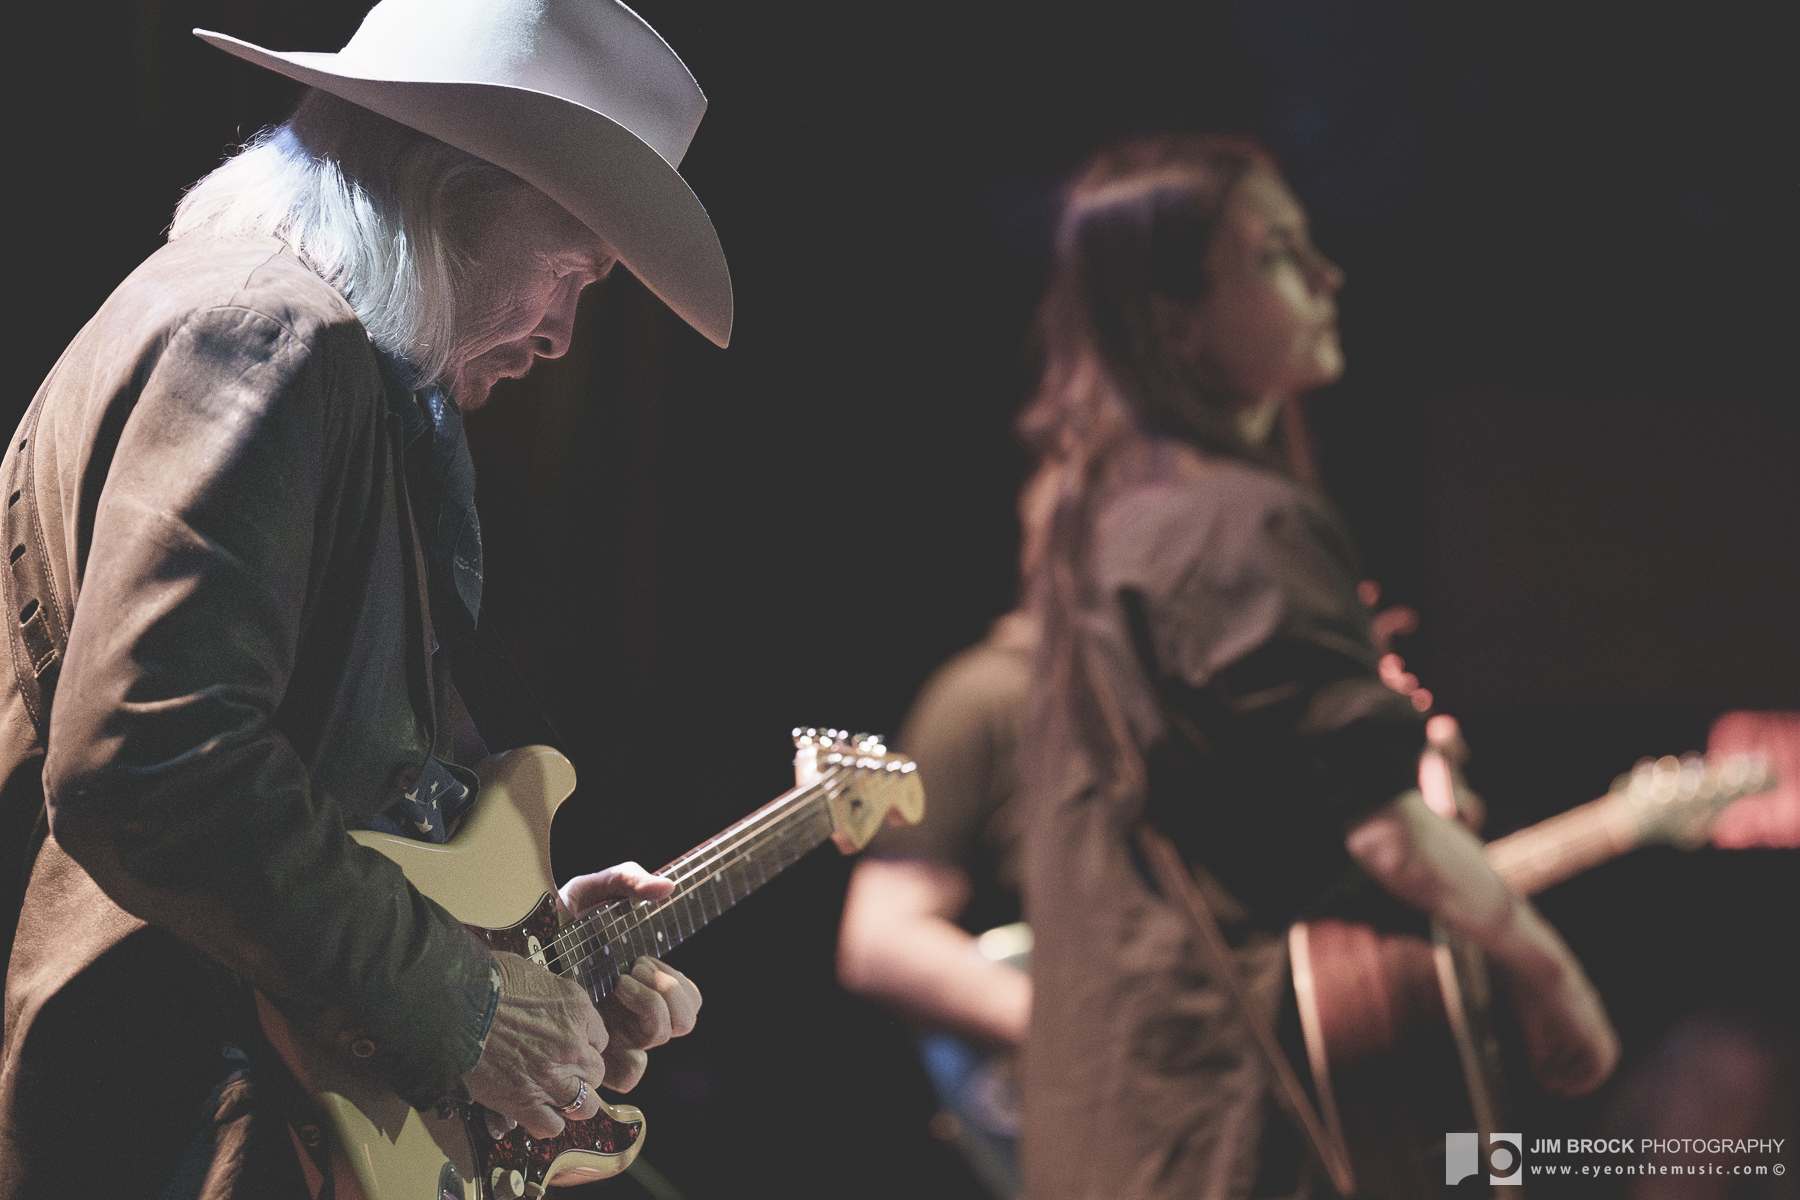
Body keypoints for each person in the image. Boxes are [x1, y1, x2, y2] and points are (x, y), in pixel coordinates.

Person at [0, 2, 727, 1195]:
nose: (561, 334)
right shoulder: (268, 331)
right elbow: (156, 761)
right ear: (447, 185)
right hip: (188, 1120)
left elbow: (301, 779)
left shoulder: (252, 322)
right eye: (569, 270)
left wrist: (513, 942)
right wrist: (463, 1003)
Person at [1011, 134, 1621, 1200]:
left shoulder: (1094, 516)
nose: (1328, 277)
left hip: (1108, 1116)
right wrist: (1549, 970)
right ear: (1174, 320)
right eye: (1276, 257)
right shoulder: (1239, 523)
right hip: (1235, 1122)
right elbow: (1388, 833)